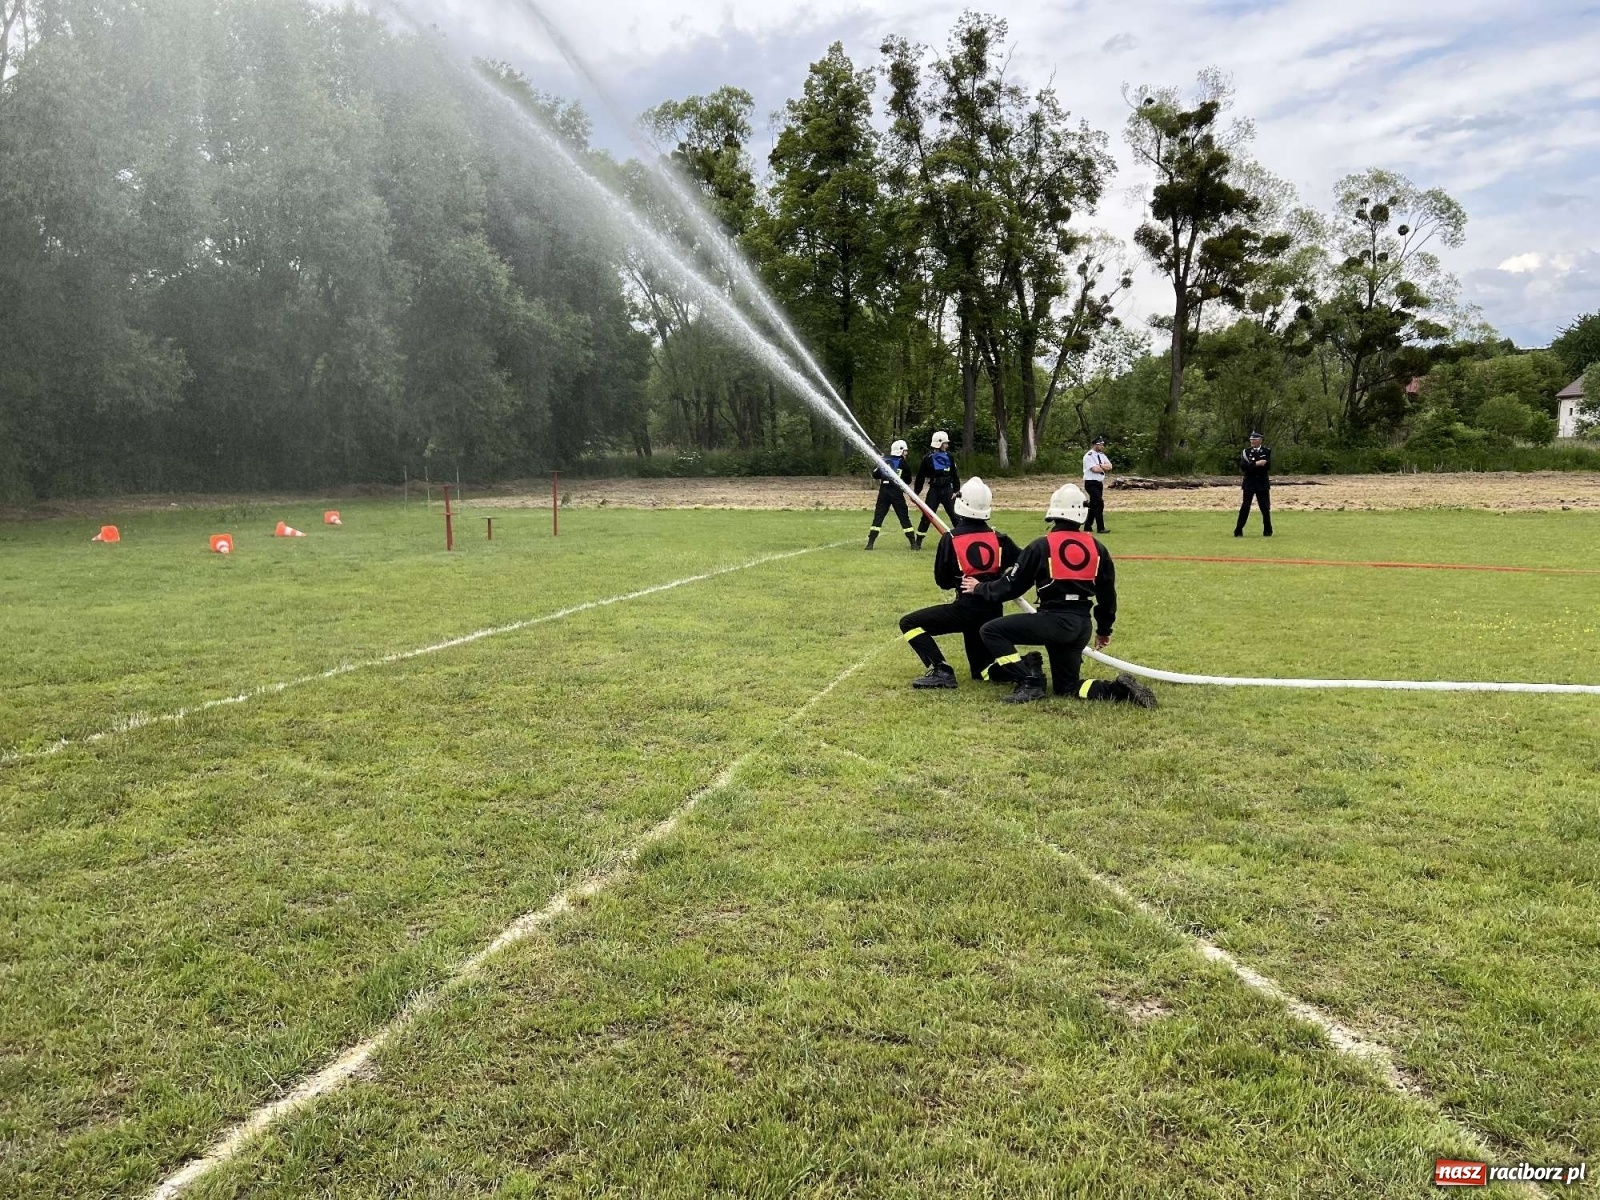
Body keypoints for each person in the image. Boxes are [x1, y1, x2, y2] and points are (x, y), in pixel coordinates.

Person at [961, 482, 1157, 708]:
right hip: (1081, 625)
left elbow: (1012, 586)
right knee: (1067, 687)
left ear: (1053, 513)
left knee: (991, 630)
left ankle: (1029, 680)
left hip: (1053, 621)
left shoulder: (1041, 546)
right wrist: (1104, 629)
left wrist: (979, 587)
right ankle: (1119, 690)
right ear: (1082, 513)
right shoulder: (1098, 547)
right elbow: (1107, 594)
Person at [898, 478, 1021, 688]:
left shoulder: (951, 538)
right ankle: (1022, 666)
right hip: (992, 614)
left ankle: (941, 669)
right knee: (981, 672)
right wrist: (999, 581)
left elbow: (942, 582)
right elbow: (1024, 564)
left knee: (909, 623)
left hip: (965, 610)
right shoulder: (999, 538)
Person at [866, 439, 918, 550]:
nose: (906, 453)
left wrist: (878, 462)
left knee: (878, 517)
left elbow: (875, 475)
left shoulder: (884, 461)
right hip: (896, 493)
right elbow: (908, 480)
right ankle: (913, 543)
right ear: (900, 451)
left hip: (883, 492)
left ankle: (870, 543)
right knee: (904, 517)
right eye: (905, 451)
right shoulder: (902, 462)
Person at [912, 430, 961, 548]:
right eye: (945, 443)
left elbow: (955, 474)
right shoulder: (927, 458)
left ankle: (962, 539)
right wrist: (916, 493)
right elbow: (920, 477)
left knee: (954, 515)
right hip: (934, 490)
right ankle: (918, 542)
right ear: (939, 443)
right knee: (927, 515)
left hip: (948, 490)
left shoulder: (949, 456)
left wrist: (956, 490)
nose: (947, 445)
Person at [1235, 431, 1273, 537]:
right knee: (1245, 507)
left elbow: (1267, 466)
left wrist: (1252, 465)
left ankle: (1268, 530)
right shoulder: (1246, 452)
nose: (1252, 441)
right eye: (1251, 439)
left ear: (1260, 440)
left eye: (1255, 439)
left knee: (1265, 508)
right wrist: (1256, 464)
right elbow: (1244, 467)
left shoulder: (1266, 451)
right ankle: (1238, 530)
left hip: (1262, 483)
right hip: (1249, 483)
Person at [1081, 435, 1112, 533]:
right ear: (1095, 445)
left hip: (1099, 483)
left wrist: (1100, 465)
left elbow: (1110, 466)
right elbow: (1095, 469)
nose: (1102, 446)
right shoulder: (1089, 456)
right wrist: (1102, 467)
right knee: (1099, 503)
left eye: (1103, 444)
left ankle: (1087, 526)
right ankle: (1100, 528)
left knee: (1094, 505)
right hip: (1091, 483)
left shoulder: (1102, 455)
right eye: (1100, 444)